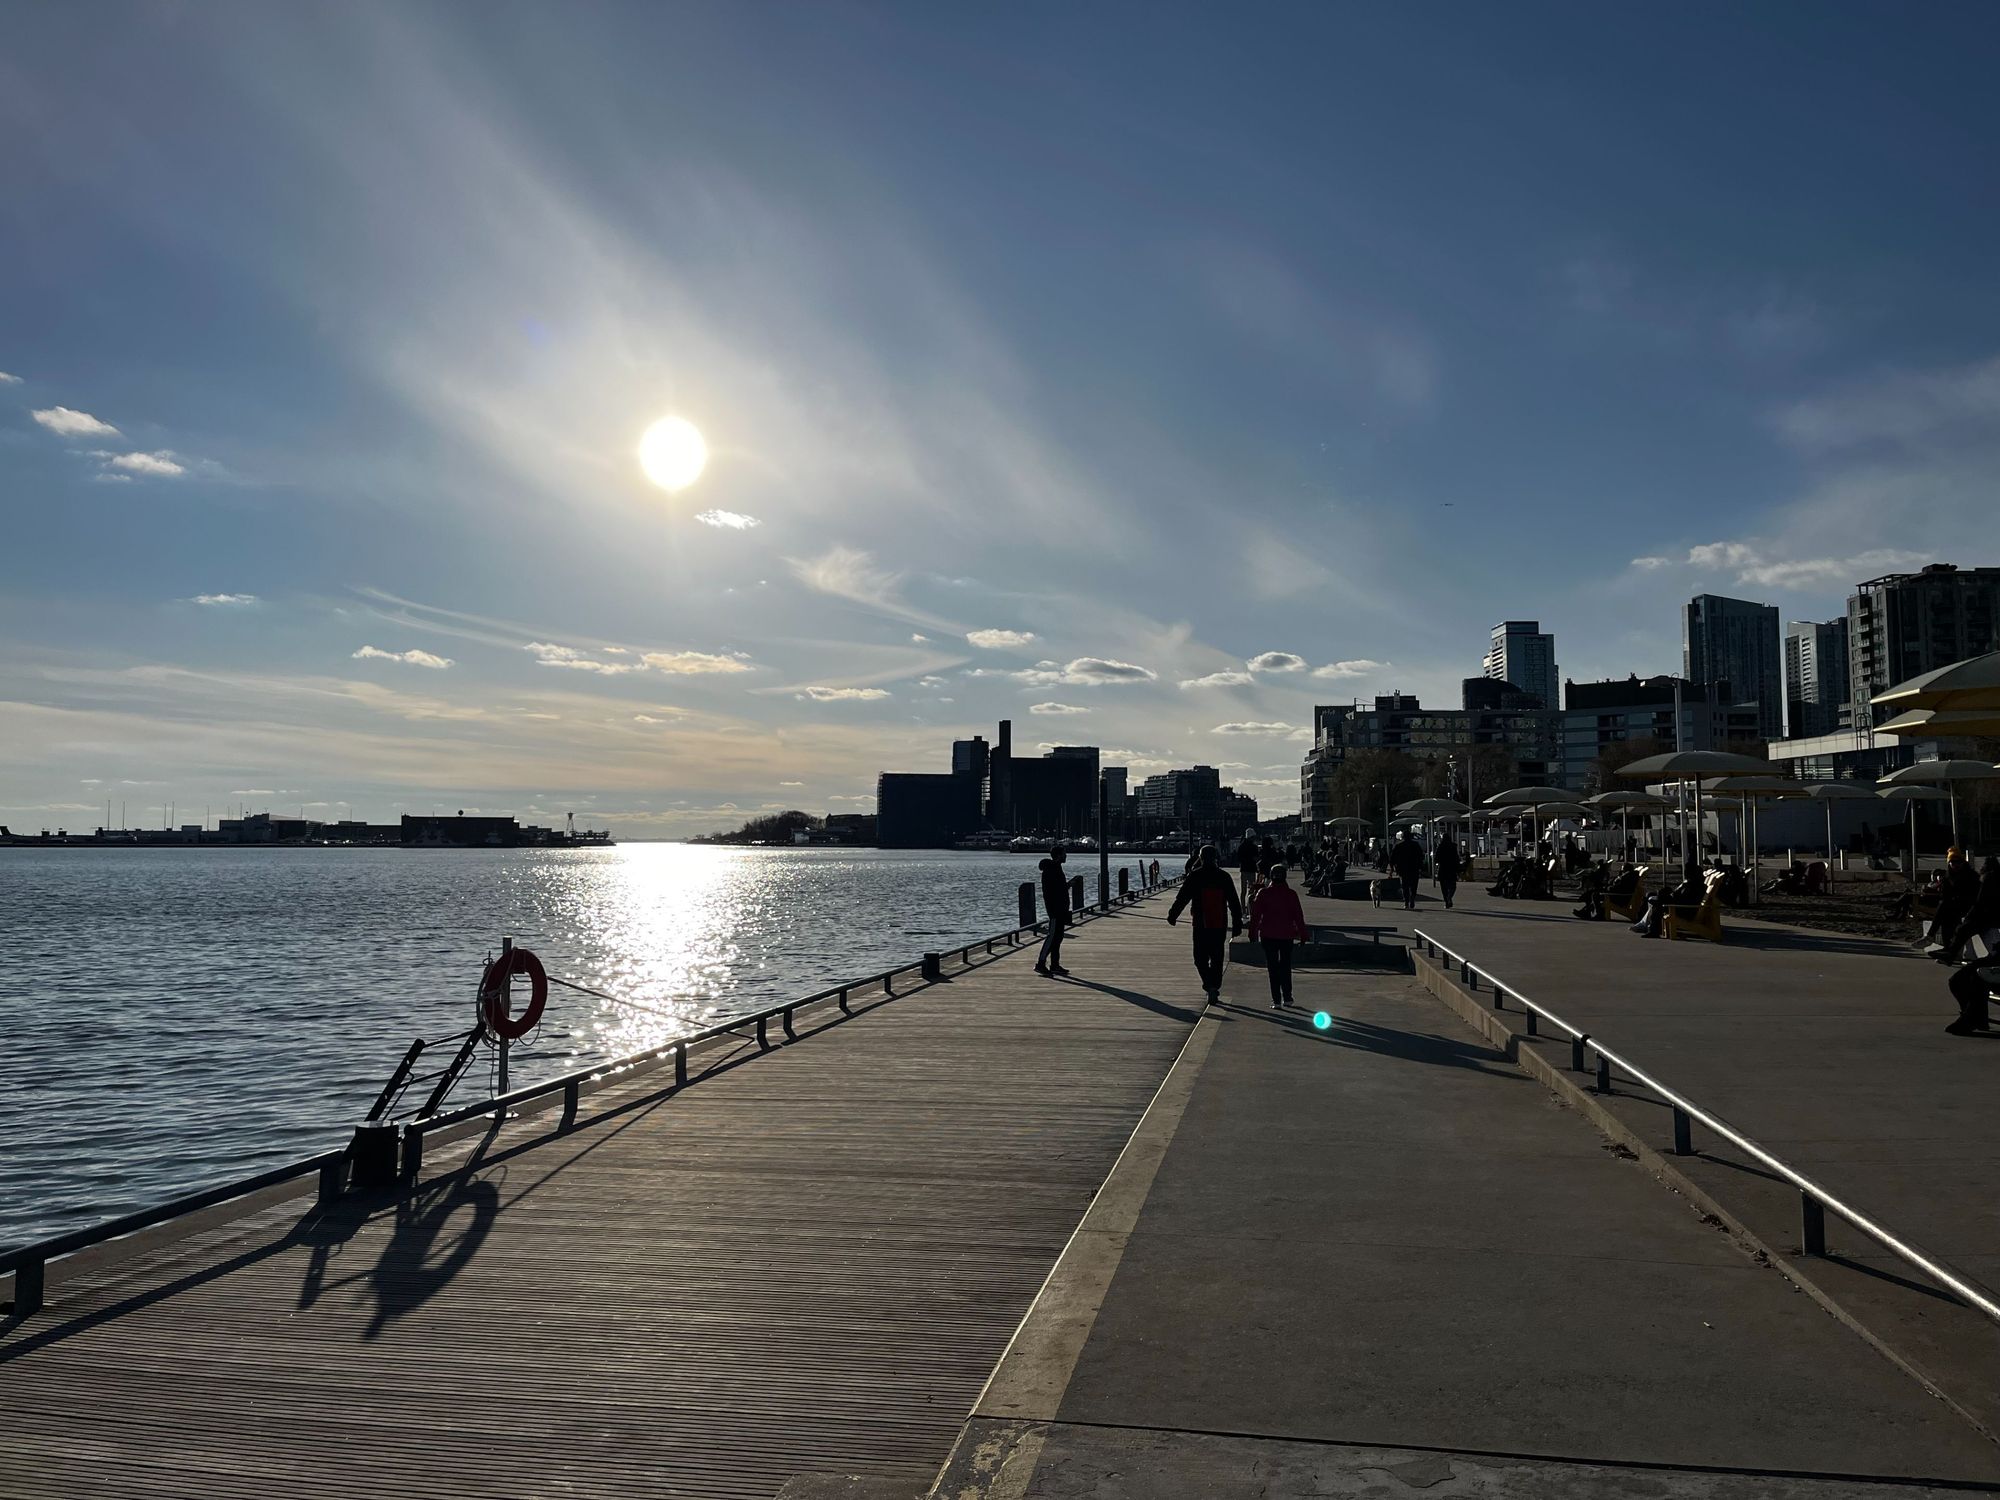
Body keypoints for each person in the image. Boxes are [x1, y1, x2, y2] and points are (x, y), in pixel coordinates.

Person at [1168, 844, 1244, 1001]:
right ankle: (1214, 985)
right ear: (1216, 858)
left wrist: (1173, 914)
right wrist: (1237, 923)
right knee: (1217, 957)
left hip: (1200, 923)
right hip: (1219, 923)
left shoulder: (1195, 876)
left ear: (1201, 858)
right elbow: (1234, 902)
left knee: (1200, 958)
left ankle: (1209, 985)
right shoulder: (1224, 876)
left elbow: (1182, 897)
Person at [1250, 862, 1308, 1008]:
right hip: (1287, 935)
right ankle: (1287, 997)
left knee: (1272, 967)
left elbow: (1255, 916)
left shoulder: (1263, 893)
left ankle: (1276, 1000)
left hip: (1268, 935)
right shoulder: (1291, 894)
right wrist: (1303, 935)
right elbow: (1298, 917)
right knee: (1285, 966)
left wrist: (1252, 934)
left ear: (1271, 876)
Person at [1940, 854, 2000, 964]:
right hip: (1993, 916)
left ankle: (1951, 955)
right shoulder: (1995, 877)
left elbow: (1981, 900)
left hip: (1985, 915)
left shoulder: (1987, 878)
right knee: (1968, 931)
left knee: (1962, 930)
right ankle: (1954, 954)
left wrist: (1970, 915)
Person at [1035, 848, 1071, 977]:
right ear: (1058, 855)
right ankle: (1040, 963)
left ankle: (1055, 964)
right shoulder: (1051, 870)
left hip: (1060, 908)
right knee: (1052, 937)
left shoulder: (1056, 868)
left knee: (1058, 937)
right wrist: (1068, 885)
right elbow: (1053, 890)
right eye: (1064, 854)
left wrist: (1069, 885)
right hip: (1055, 909)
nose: (1066, 856)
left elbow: (1059, 888)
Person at [1388, 830, 1425, 911]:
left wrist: (1392, 869)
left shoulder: (1398, 846)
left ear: (1403, 837)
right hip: (1414, 869)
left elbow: (1392, 858)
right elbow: (1421, 856)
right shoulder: (1415, 845)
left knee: (1405, 886)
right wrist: (1421, 867)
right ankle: (1412, 898)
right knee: (1413, 886)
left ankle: (1406, 902)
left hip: (1402, 869)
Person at [1433, 829, 1461, 910]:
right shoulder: (1453, 846)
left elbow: (1436, 859)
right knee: (1453, 886)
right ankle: (1449, 897)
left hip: (1443, 869)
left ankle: (1446, 901)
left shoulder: (1440, 846)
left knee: (1444, 887)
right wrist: (1458, 868)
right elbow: (1456, 858)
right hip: (1451, 869)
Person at [1235, 833, 1263, 907]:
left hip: (1244, 869)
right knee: (1252, 889)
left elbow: (1238, 858)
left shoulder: (1241, 846)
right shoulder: (1254, 847)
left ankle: (1242, 907)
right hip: (1251, 870)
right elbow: (1256, 858)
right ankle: (1250, 906)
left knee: (1243, 890)